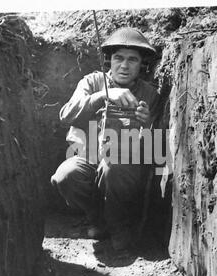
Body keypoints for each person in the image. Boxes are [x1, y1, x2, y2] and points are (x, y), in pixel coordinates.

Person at [51, 27, 161, 251]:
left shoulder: (149, 95)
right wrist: (102, 96)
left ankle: (120, 226)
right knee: (65, 175)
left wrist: (146, 124)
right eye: (118, 58)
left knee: (114, 165)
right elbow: (66, 114)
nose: (124, 65)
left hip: (125, 170)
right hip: (89, 159)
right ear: (109, 60)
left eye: (132, 60)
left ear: (142, 65)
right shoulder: (91, 83)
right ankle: (97, 219)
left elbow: (156, 148)